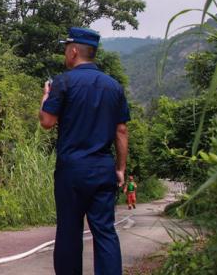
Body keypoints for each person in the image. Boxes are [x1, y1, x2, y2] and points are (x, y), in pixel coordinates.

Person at [39, 27, 130, 275]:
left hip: (72, 170)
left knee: (69, 230)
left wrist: (46, 97)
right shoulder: (114, 86)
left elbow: (47, 122)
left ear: (75, 50)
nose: (65, 53)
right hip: (103, 168)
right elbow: (121, 131)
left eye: (66, 48)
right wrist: (120, 169)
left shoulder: (63, 82)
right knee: (105, 230)